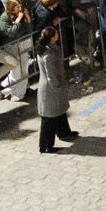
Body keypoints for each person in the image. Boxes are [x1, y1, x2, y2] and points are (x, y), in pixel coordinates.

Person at [34, 21, 79, 153]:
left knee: (59, 111)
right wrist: (58, 86)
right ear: (52, 37)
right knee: (49, 117)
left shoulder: (47, 49)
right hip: (50, 89)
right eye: (56, 34)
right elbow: (51, 75)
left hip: (53, 87)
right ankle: (45, 145)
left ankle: (64, 132)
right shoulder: (48, 55)